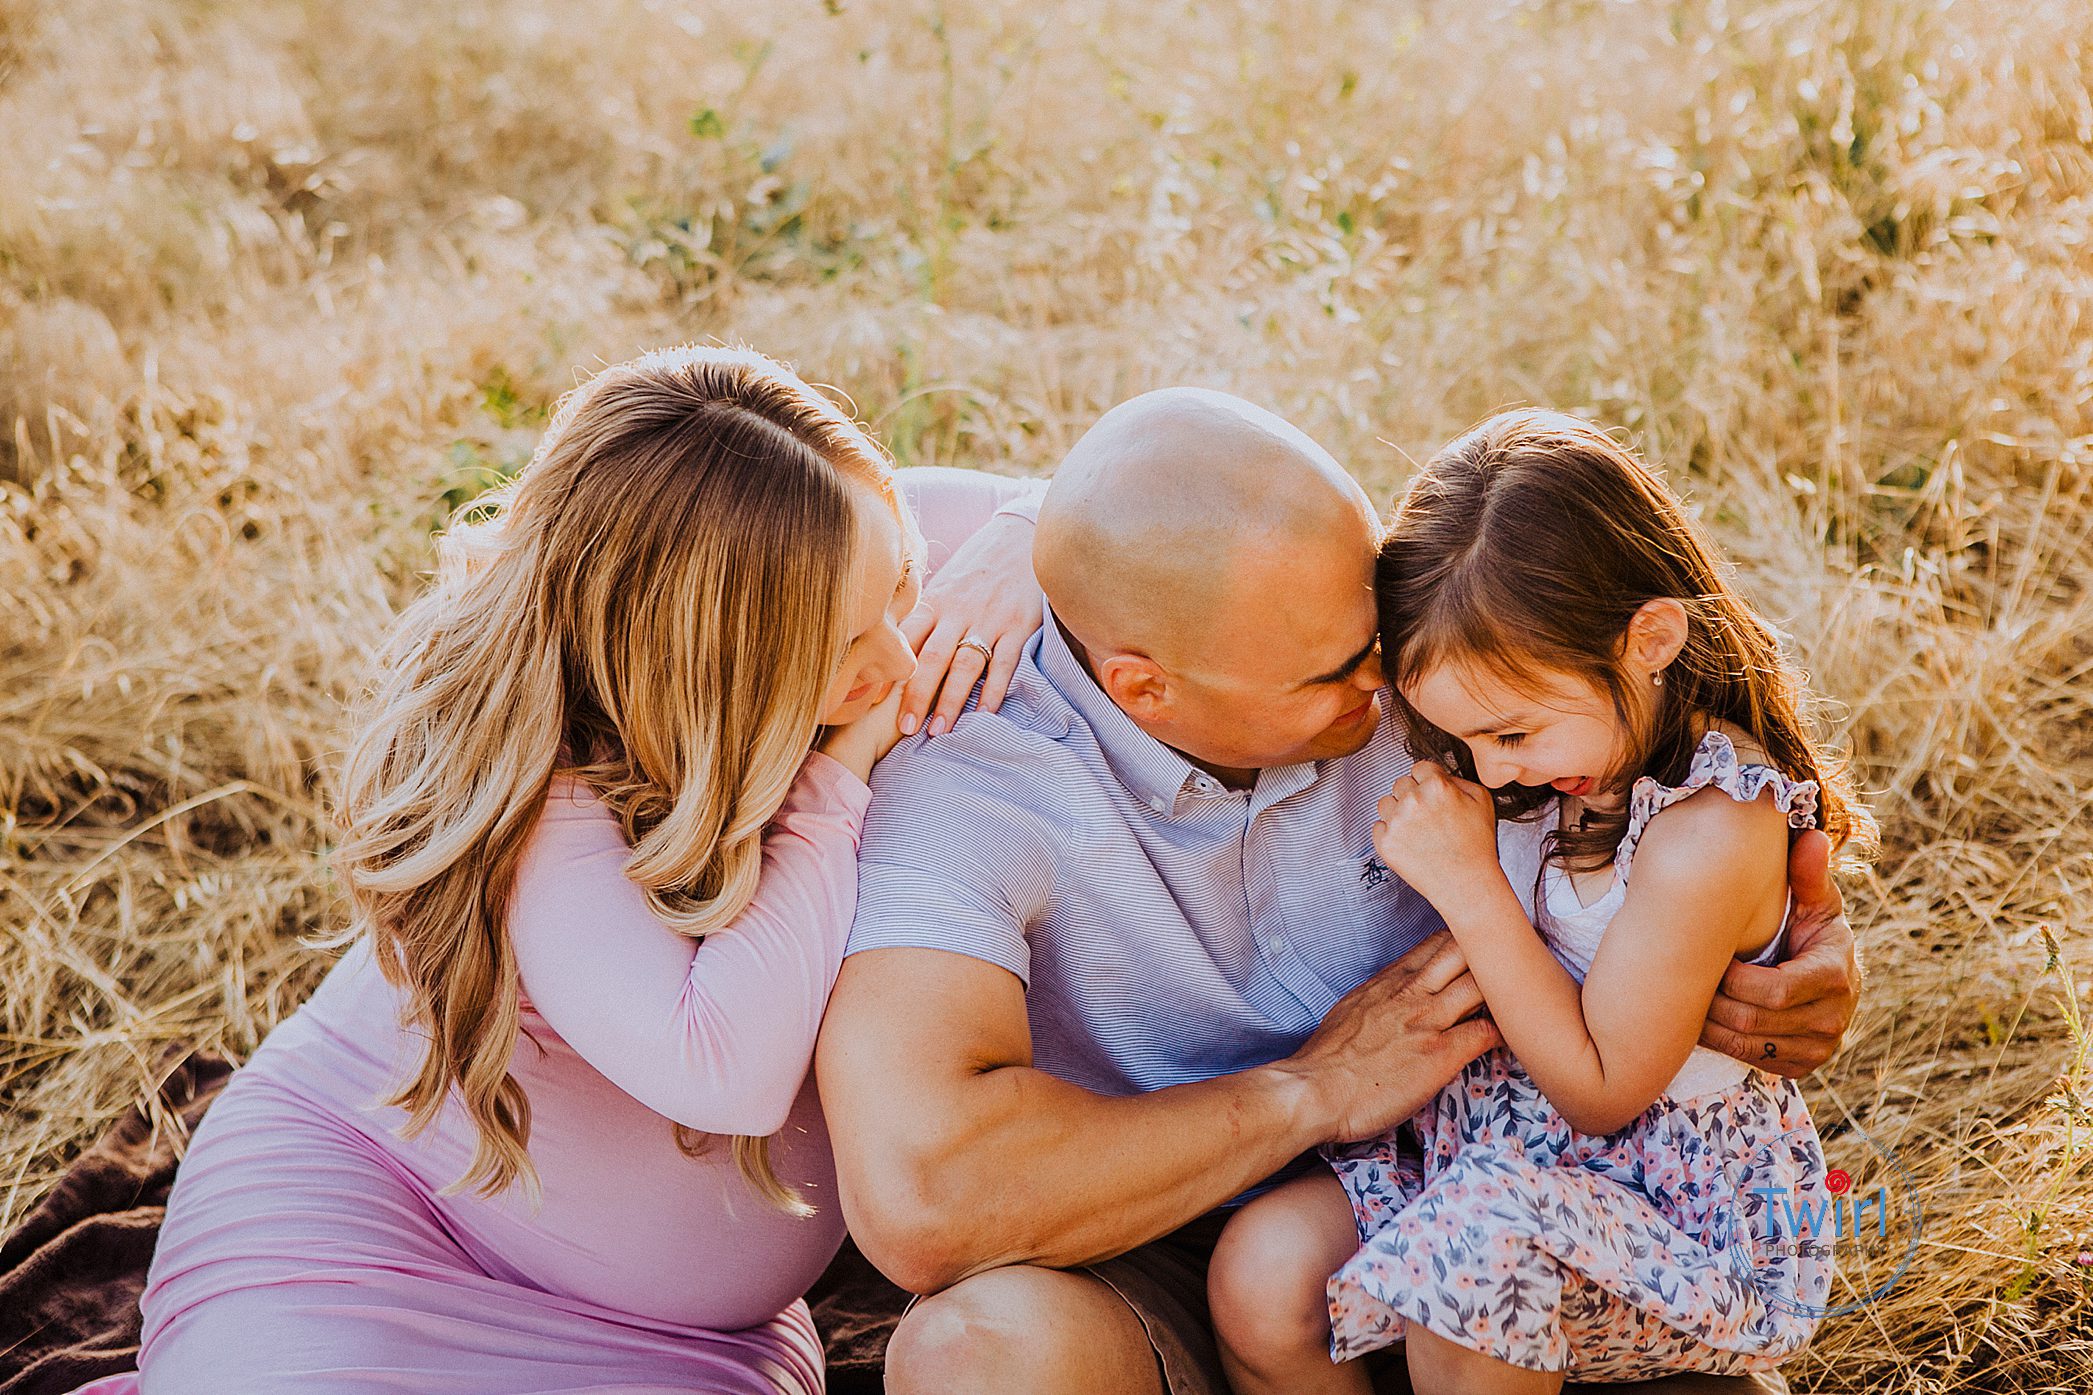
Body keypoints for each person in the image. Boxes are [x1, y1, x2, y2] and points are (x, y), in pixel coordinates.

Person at [816, 387, 1865, 1395]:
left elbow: (1636, 740)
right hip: (1160, 1239)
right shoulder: (970, 783)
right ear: (1145, 685)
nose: (1385, 689)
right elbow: (927, 1200)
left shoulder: (1394, 655)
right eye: (1335, 673)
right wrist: (1311, 1090)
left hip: (1511, 1183)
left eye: (1378, 643)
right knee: (977, 1359)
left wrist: (1785, 943)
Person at [71, 346, 1046, 1395]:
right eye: (852, 640)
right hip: (373, 1239)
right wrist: (836, 782)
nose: (902, 660)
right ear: (699, 663)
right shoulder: (551, 798)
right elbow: (725, 1069)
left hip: (680, 1338)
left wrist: (1029, 529)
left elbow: (1162, 511)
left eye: (901, 585)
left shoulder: (836, 533)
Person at [1204, 409, 1878, 1394]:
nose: (1483, 769)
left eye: (1510, 735)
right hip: (1483, 1149)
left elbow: (1601, 1091)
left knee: (1468, 1268)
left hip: (1657, 1199)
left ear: (1649, 638)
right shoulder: (1535, 725)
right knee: (1262, 1273)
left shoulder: (1707, 832)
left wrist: (1469, 883)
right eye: (1458, 738)